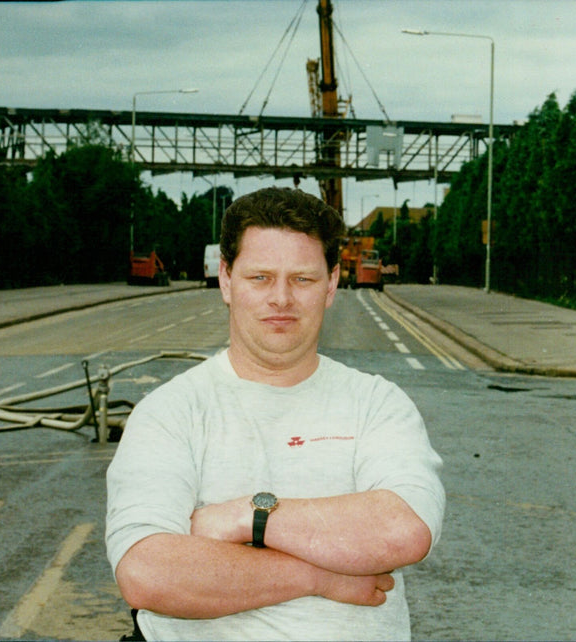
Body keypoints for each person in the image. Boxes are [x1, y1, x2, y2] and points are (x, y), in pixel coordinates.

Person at [105, 186, 445, 641]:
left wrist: (251, 515)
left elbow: (404, 530)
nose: (281, 298)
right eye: (260, 277)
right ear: (226, 280)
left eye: (302, 279)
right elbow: (148, 572)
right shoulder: (170, 413)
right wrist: (321, 577)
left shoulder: (378, 404)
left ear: (331, 283)